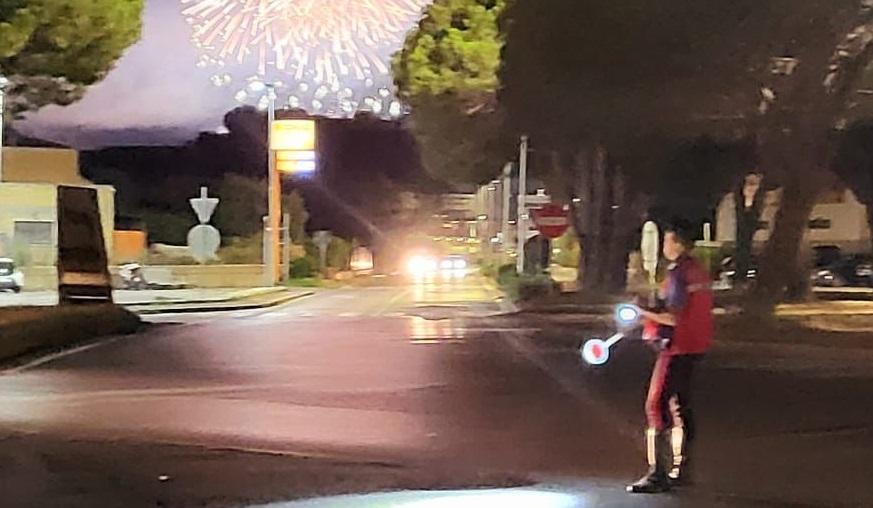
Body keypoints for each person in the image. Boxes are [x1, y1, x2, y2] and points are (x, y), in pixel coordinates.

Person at [627, 225, 714, 494]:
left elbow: (673, 317)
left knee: (656, 405)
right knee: (681, 405)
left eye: (667, 240)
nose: (664, 246)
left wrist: (640, 311)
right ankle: (683, 468)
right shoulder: (697, 270)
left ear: (677, 244)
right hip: (696, 345)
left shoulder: (678, 273)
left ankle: (658, 473)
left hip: (676, 347)